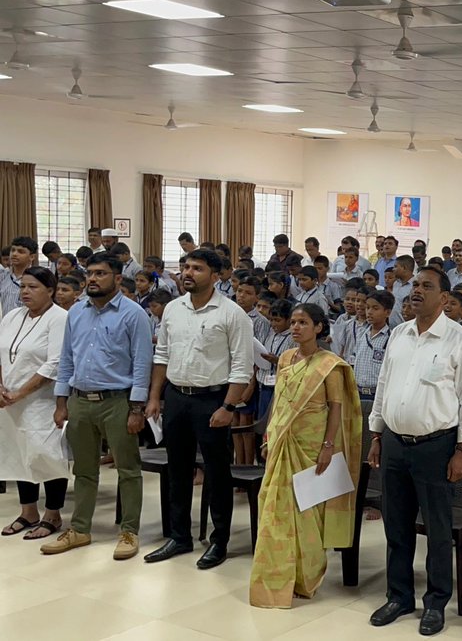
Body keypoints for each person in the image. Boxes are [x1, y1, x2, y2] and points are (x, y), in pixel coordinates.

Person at [366, 267, 462, 635]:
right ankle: (399, 596)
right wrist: (376, 433)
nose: (416, 291)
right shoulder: (399, 333)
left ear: (444, 298)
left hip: (437, 446)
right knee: (396, 525)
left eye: (426, 286)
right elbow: (384, 385)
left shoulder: (459, 340)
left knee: (437, 529)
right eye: (415, 285)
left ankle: (435, 602)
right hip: (394, 444)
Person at [144, 249, 255, 570]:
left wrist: (229, 406)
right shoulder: (173, 309)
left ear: (216, 275)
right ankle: (180, 536)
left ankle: (219, 540)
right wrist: (155, 397)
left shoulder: (232, 314)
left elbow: (242, 366)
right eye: (186, 267)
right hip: (177, 397)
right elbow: (162, 355)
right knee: (177, 469)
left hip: (213, 400)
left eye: (197, 268)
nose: (188, 273)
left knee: (217, 473)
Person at [249, 303, 361, 608]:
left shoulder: (330, 365)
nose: (296, 327)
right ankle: (275, 577)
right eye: (294, 322)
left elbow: (336, 409)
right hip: (282, 440)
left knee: (307, 512)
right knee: (274, 508)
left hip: (311, 446)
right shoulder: (286, 358)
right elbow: (279, 401)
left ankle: (306, 578)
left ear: (319, 328)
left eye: (303, 322)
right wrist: (269, 434)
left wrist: (328, 447)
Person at [42, 254, 152, 559]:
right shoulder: (77, 312)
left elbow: (142, 363)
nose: (92, 278)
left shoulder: (133, 314)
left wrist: (137, 409)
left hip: (117, 401)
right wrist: (61, 401)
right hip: (80, 400)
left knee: (128, 469)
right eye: (90, 273)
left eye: (100, 273)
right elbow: (67, 359)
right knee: (83, 470)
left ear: (117, 278)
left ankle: (129, 531)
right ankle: (79, 529)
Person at [0, 267, 69, 540]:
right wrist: (2, 388)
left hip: (43, 400)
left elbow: (55, 363)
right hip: (9, 400)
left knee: (47, 455)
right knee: (19, 453)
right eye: (23, 286)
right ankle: (28, 511)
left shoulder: (59, 318)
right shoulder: (12, 316)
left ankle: (53, 514)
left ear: (50, 290)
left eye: (33, 287)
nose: (25, 292)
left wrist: (20, 393)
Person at [1, 236, 36, 313]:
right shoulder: (2, 275)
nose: (14, 254)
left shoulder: (37, 278)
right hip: (5, 319)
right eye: (13, 250)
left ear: (32, 257)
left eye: (20, 252)